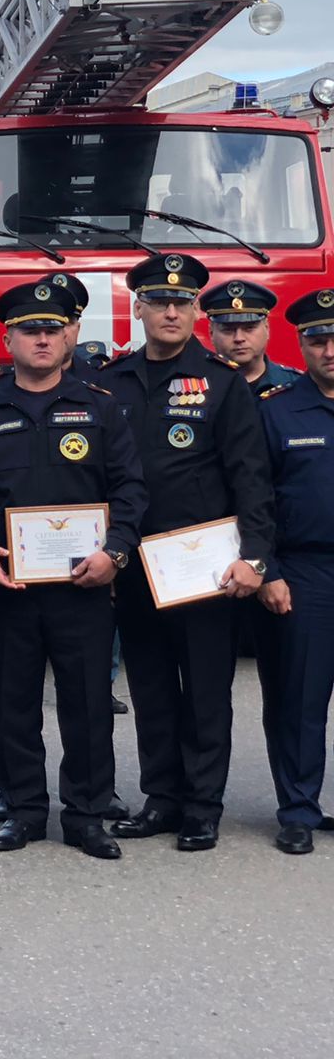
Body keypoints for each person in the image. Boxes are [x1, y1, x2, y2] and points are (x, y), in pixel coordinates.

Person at [0, 281, 147, 859]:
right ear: (7, 337)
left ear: (69, 336)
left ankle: (85, 814)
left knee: (86, 702)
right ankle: (25, 810)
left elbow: (130, 490)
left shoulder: (100, 407)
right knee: (15, 701)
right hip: (11, 584)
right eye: (30, 330)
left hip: (83, 585)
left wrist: (115, 554)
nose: (42, 338)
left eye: (52, 329)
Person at [99, 253, 274, 852]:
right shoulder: (115, 381)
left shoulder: (222, 382)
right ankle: (162, 798)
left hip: (204, 567)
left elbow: (251, 478)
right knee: (148, 686)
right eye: (158, 302)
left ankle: (202, 806)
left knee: (203, 690)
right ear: (139, 308)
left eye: (181, 303)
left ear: (196, 310)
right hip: (136, 562)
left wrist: (254, 559)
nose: (170, 311)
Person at [254, 288, 334, 854]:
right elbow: (255, 502)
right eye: (317, 339)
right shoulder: (277, 409)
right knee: (299, 697)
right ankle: (299, 810)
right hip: (305, 572)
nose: (330, 348)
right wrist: (269, 571)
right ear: (301, 345)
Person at [199, 279, 299, 396]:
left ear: (267, 328)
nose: (239, 338)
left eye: (249, 328)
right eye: (228, 329)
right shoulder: (195, 386)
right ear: (211, 333)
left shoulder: (296, 386)